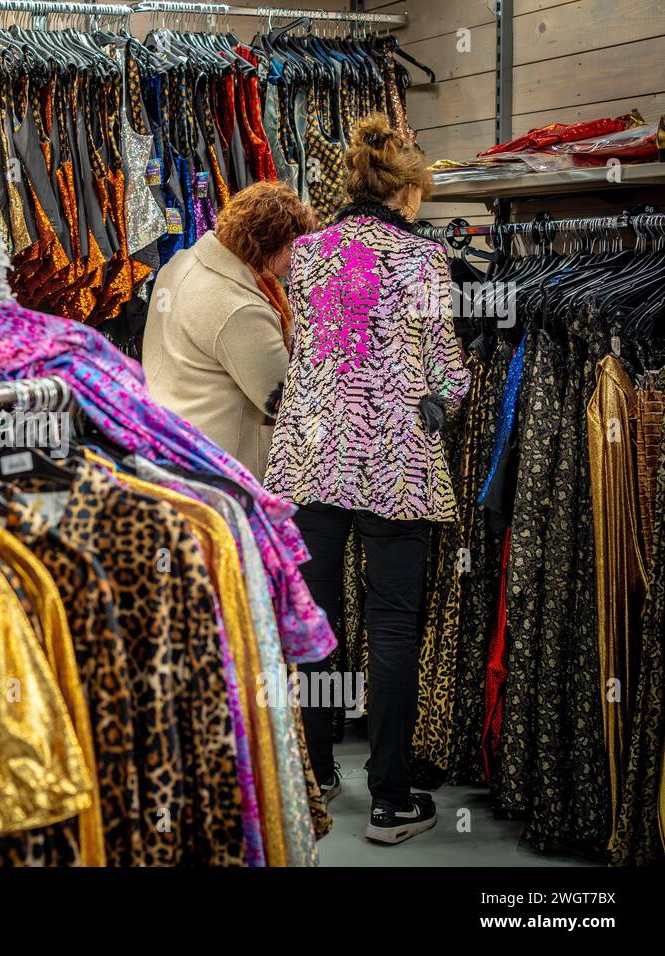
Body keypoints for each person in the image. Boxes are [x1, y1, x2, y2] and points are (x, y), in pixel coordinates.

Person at [263, 114, 470, 845]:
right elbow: (445, 365)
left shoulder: (309, 253)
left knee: (319, 620)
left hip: (314, 456)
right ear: (408, 192)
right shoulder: (424, 259)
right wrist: (445, 398)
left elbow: (307, 349)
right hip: (392, 462)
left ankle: (316, 771)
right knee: (390, 624)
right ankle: (389, 797)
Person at [142, 181, 317, 479]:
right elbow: (284, 398)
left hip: (167, 438)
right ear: (266, 242)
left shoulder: (180, 265)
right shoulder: (241, 308)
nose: (298, 255)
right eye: (291, 245)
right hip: (218, 462)